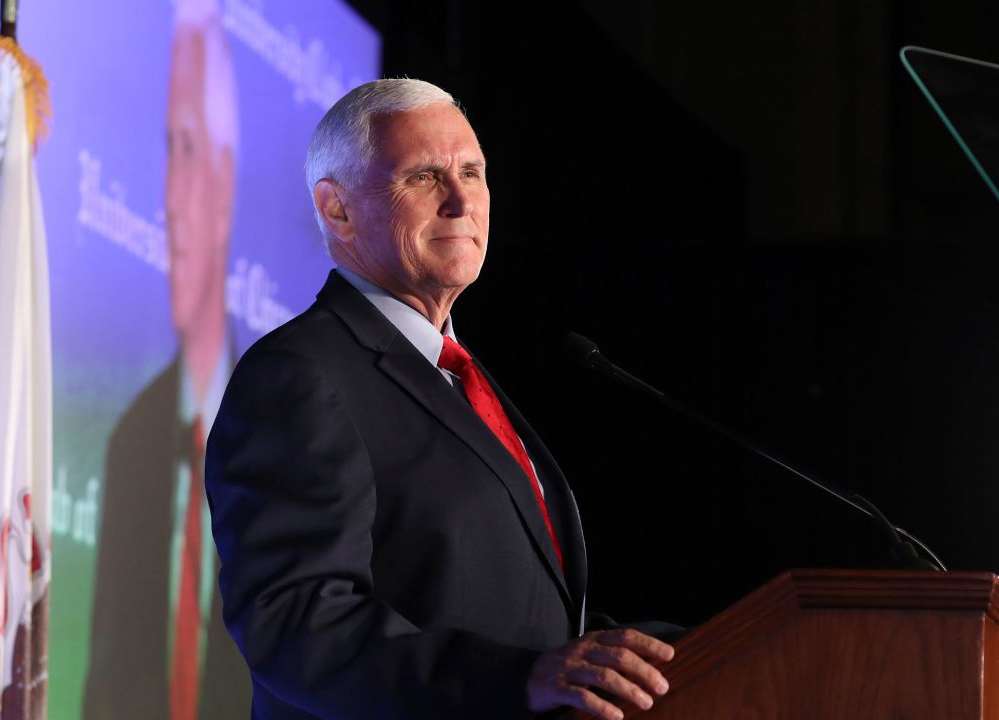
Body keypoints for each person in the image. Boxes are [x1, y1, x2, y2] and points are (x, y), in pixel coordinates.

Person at [206, 78, 680, 720]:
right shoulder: (302, 374)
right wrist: (514, 678)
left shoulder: (459, 378)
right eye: (425, 177)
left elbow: (508, 610)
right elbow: (296, 622)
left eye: (472, 172)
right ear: (337, 209)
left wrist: (638, 656)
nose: (462, 200)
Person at [85, 3, 250, 718]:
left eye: (187, 151)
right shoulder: (132, 441)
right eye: (164, 153)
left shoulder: (288, 430)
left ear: (225, 182)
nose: (170, 204)